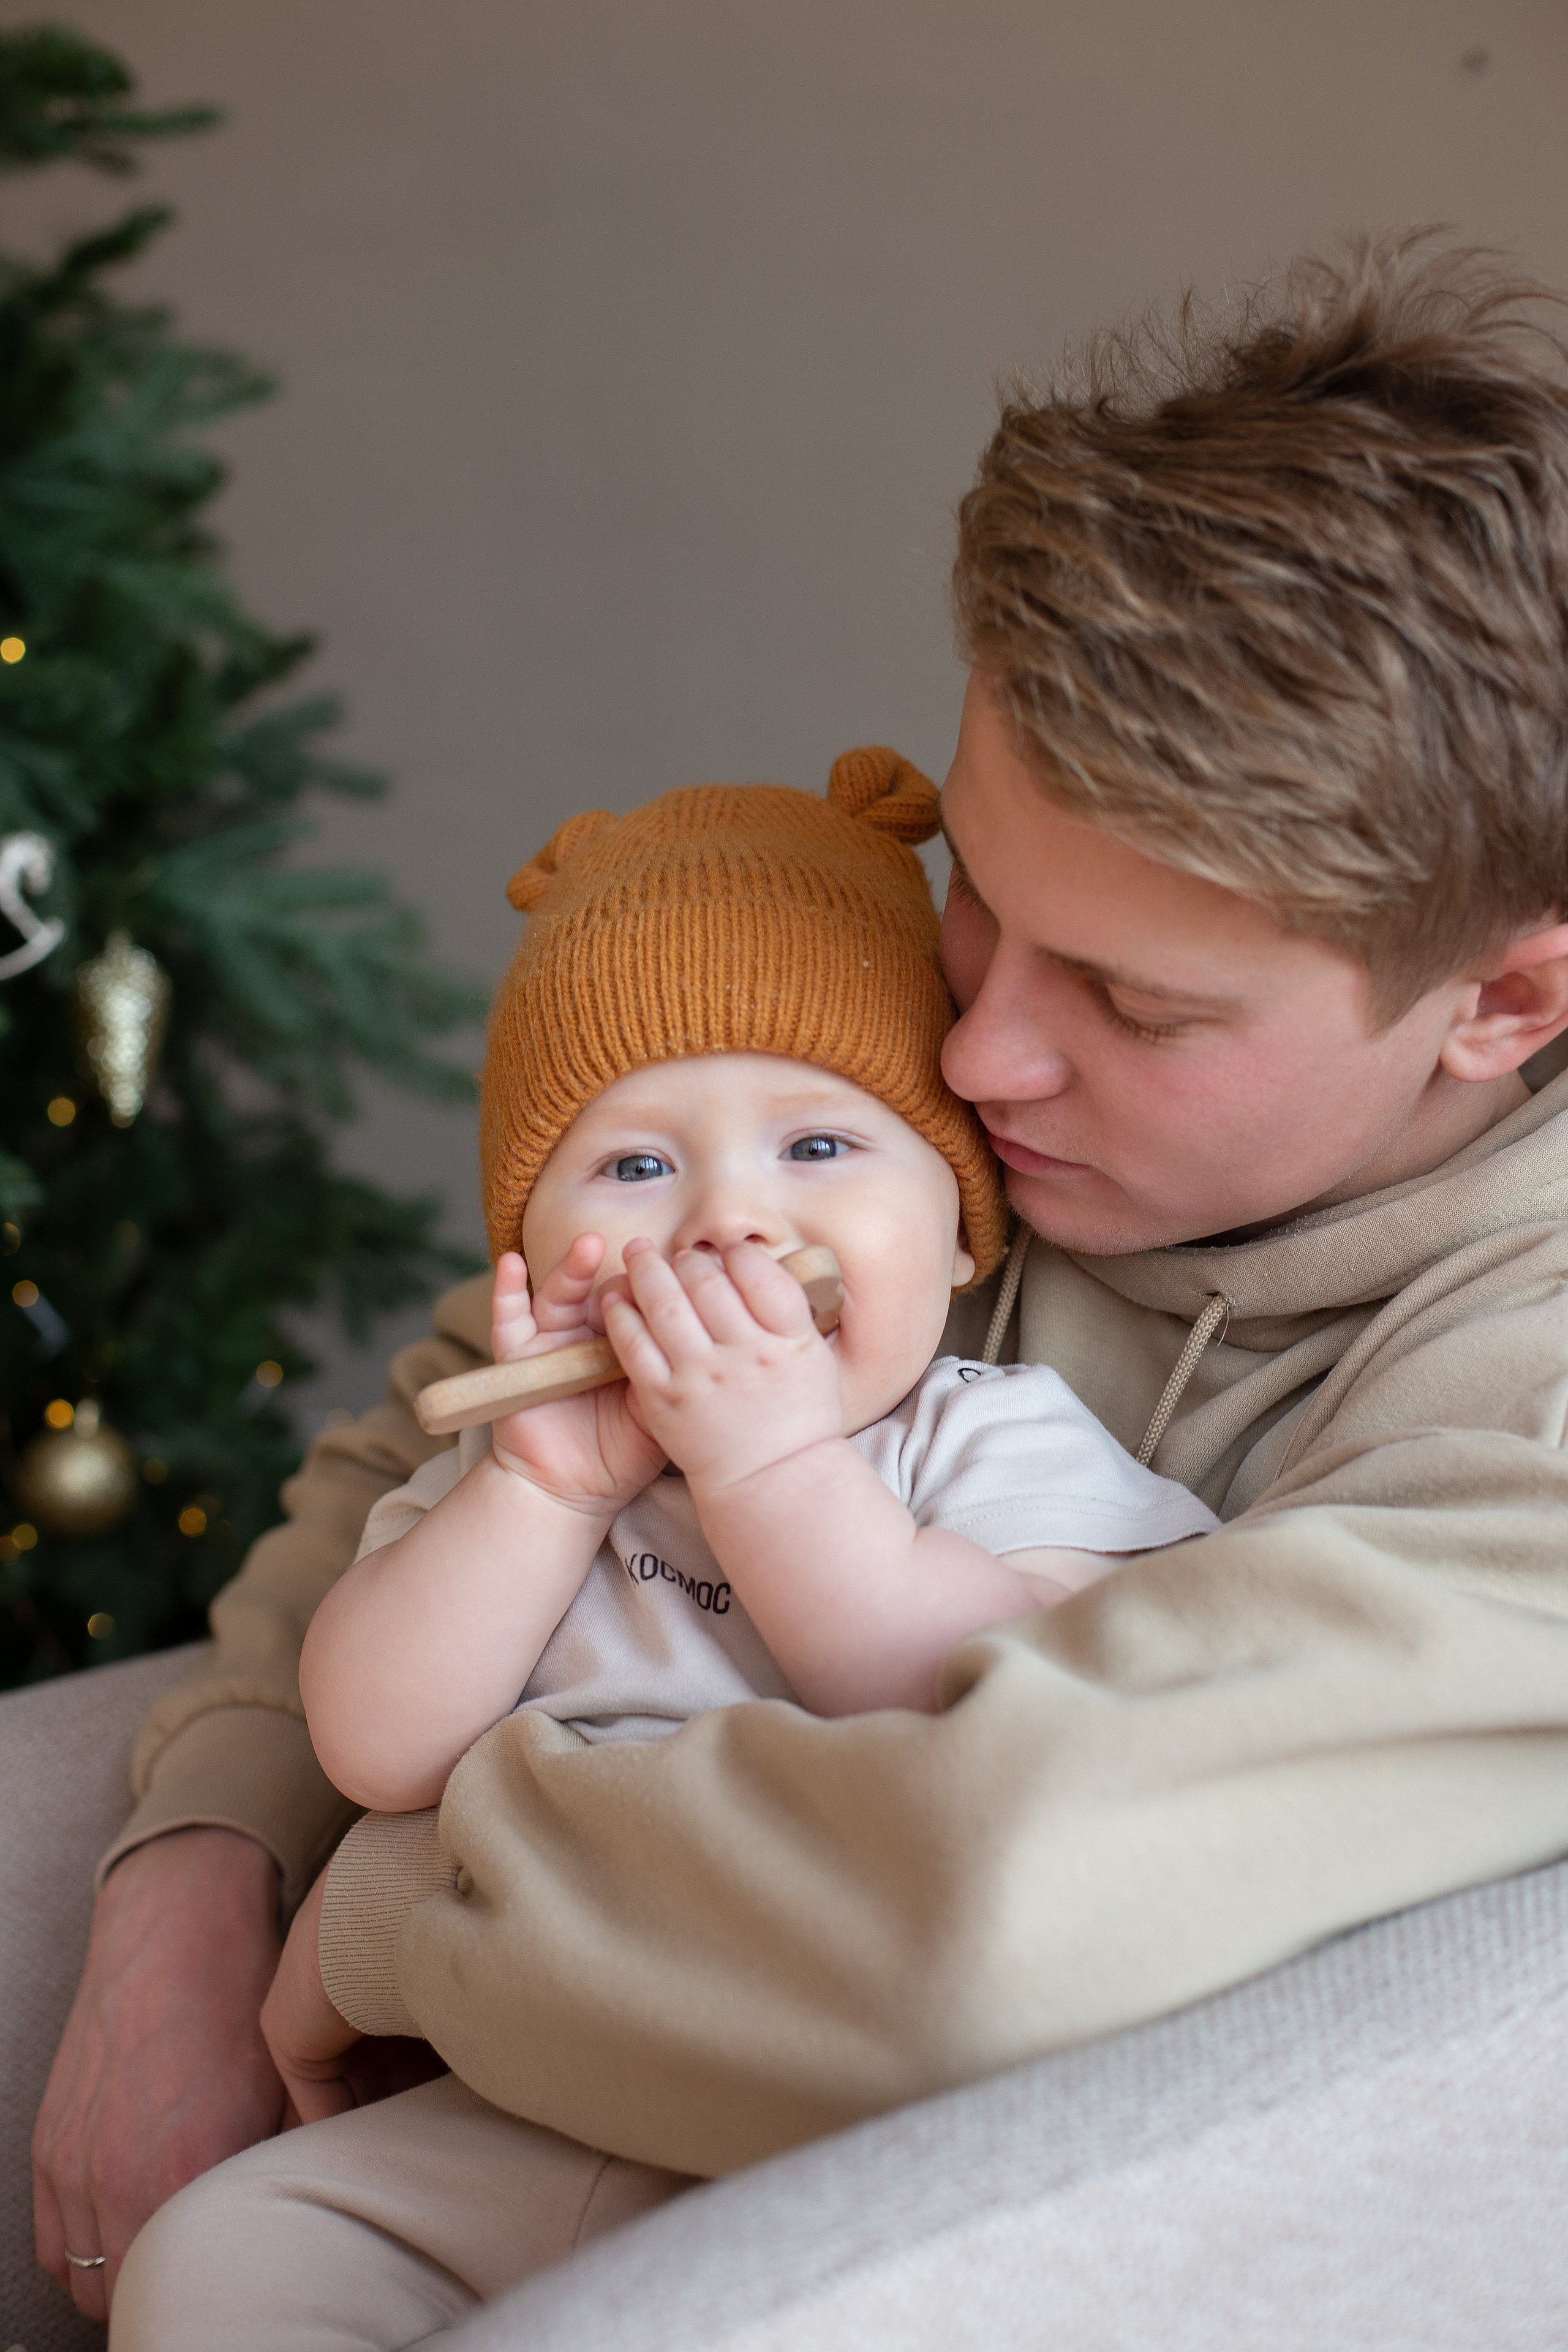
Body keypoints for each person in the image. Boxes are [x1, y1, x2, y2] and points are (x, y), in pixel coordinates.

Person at [35, 233, 1568, 2332]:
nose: (971, 1061)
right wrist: (190, 1891)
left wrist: (387, 1906)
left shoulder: (1525, 1413)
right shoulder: (964, 1133)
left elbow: (990, 1926)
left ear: (1506, 999)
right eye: (975, 910)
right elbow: (417, 1445)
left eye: (1127, 998)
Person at [112, 760, 1226, 2347]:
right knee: (221, 2257)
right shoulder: (524, 1476)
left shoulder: (993, 1442)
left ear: (964, 1227)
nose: (726, 1224)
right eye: (636, 1166)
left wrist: (770, 1466)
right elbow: (371, 1745)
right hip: (512, 2100)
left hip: (812, 2132)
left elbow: (995, 1707)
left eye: (820, 1149)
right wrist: (545, 1494)